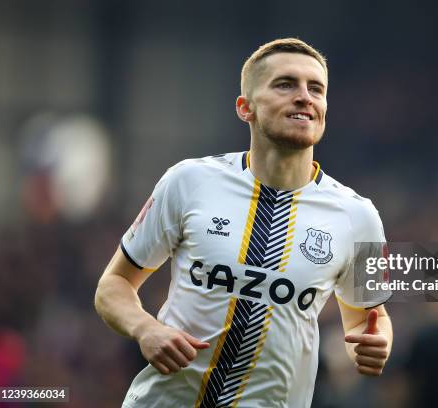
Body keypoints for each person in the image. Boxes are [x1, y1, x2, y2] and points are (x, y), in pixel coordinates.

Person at [94, 38, 393, 408]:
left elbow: (369, 319)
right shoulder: (189, 181)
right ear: (245, 107)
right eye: (285, 84)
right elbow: (114, 284)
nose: (304, 96)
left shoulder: (357, 215)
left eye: (316, 88)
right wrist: (146, 329)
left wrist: (378, 346)